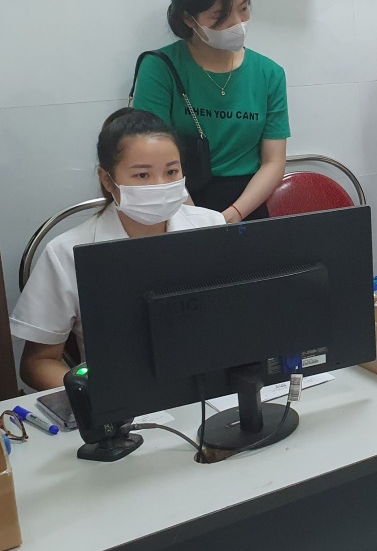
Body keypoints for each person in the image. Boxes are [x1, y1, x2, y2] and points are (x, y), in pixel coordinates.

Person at [12, 109, 226, 391]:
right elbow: (37, 362)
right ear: (107, 179)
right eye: (142, 175)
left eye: (171, 172)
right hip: (121, 397)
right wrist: (97, 400)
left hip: (211, 388)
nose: (160, 185)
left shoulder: (212, 226)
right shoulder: (66, 252)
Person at [132, 0, 289, 222]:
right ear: (189, 19)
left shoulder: (269, 73)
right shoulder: (159, 68)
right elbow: (151, 157)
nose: (237, 23)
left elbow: (273, 162)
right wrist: (196, 219)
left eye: (243, 8)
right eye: (219, 16)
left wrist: (233, 215)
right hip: (177, 201)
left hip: (247, 204)